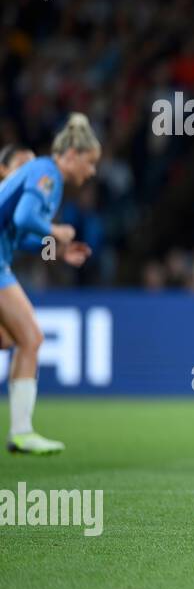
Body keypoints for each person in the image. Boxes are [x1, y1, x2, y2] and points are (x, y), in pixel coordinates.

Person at [0, 115, 99, 454]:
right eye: (90, 162)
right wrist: (56, 232)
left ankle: (21, 431)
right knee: (31, 337)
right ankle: (22, 432)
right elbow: (25, 218)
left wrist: (57, 251)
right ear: (71, 154)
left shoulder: (43, 172)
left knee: (9, 339)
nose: (93, 171)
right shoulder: (48, 172)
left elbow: (21, 236)